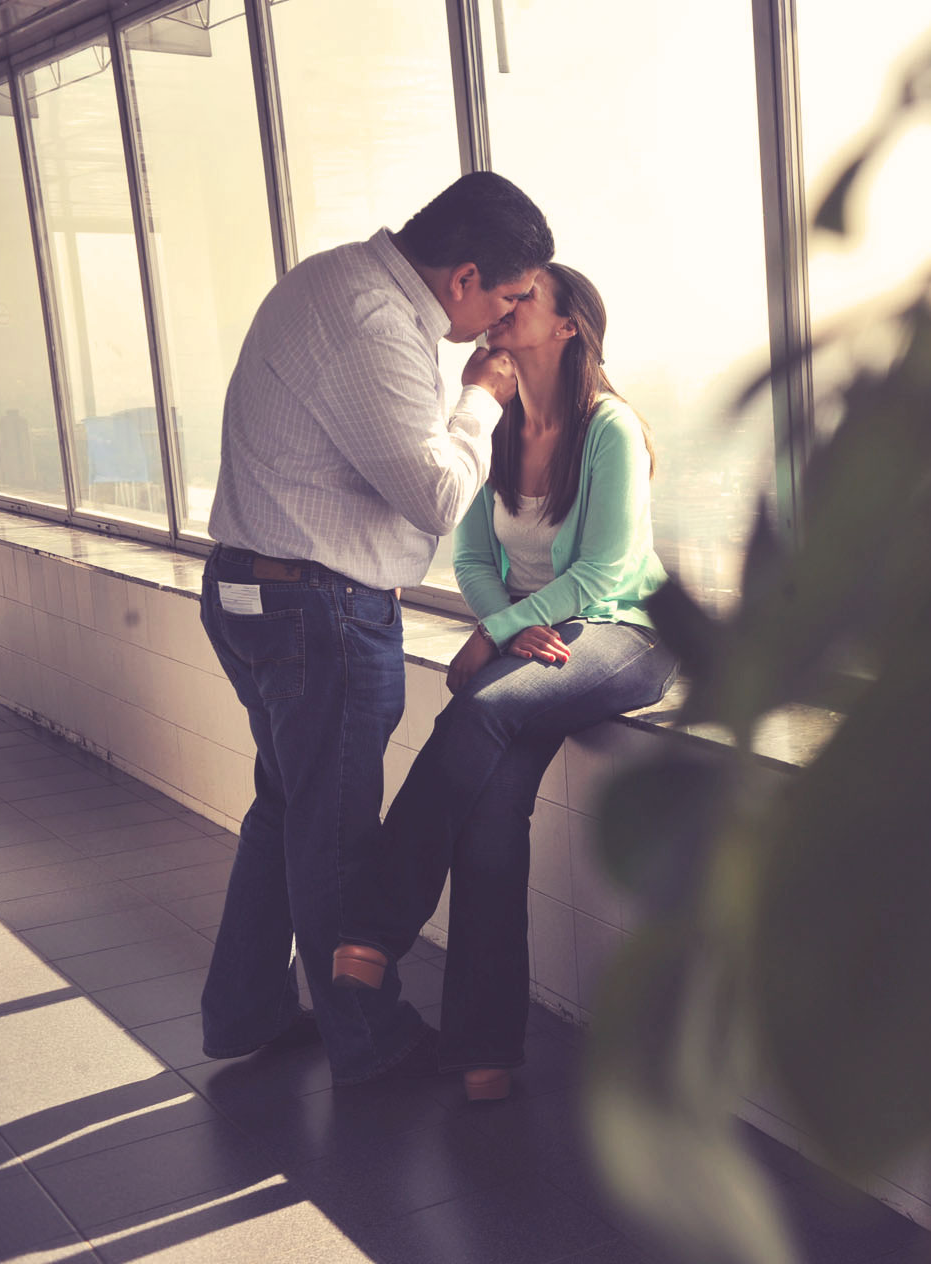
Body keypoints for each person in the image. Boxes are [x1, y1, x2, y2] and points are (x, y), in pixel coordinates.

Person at [198, 171, 553, 1086]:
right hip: (317, 613)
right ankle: (370, 1041)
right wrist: (483, 396)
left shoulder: (329, 278)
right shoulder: (376, 325)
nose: (503, 322)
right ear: (465, 276)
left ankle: (243, 1009)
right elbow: (436, 495)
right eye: (507, 298)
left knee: (287, 808)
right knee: (336, 832)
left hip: (250, 591)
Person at [333, 262, 677, 1102]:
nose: (504, 307)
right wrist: (504, 625)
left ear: (568, 327)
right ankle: (483, 1054)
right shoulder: (502, 426)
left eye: (526, 299)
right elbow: (473, 559)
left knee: (478, 712)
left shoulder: (610, 430)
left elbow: (602, 574)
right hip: (537, 635)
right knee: (490, 815)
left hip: (623, 632)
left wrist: (496, 634)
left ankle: (375, 929)